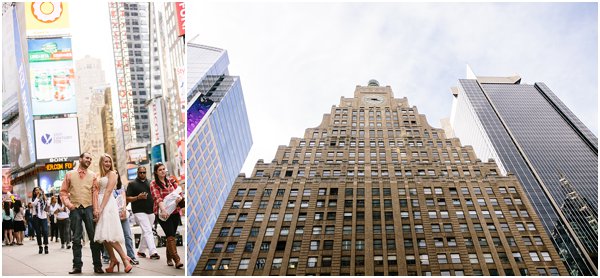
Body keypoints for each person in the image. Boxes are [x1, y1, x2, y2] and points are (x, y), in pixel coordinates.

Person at [60, 152, 104, 274]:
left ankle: (97, 265)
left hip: (89, 207)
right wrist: (69, 205)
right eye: (87, 158)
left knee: (93, 237)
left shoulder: (93, 175)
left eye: (90, 158)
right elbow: (63, 192)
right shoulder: (69, 174)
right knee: (76, 238)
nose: (89, 160)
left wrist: (95, 209)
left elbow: (95, 194)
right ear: (80, 159)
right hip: (75, 210)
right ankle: (77, 266)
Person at [94, 153, 132, 273]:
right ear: (101, 162)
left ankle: (125, 259)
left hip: (107, 204)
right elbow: (95, 191)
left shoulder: (112, 173)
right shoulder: (98, 175)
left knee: (108, 233)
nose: (108, 164)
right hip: (99, 203)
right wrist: (96, 207)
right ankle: (113, 259)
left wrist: (101, 208)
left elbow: (109, 191)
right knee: (104, 235)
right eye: (105, 161)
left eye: (109, 161)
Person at [150, 163, 183, 269]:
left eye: (164, 169)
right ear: (156, 172)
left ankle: (169, 258)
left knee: (172, 235)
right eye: (160, 170)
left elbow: (179, 191)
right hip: (162, 213)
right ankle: (176, 259)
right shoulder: (153, 184)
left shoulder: (171, 181)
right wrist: (163, 210)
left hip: (175, 211)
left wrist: (179, 198)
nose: (163, 171)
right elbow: (157, 198)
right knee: (170, 235)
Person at [126, 166, 160, 260]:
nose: (142, 174)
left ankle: (141, 251)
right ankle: (153, 252)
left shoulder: (151, 182)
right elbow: (127, 198)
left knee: (146, 231)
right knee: (148, 230)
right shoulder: (132, 184)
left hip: (151, 211)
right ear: (137, 173)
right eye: (140, 172)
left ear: (146, 172)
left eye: (144, 172)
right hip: (138, 211)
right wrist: (138, 197)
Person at [114, 170, 139, 265]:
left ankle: (132, 257)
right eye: (113, 173)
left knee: (127, 236)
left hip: (123, 215)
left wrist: (124, 211)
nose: (115, 175)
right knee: (109, 237)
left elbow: (124, 201)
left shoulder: (121, 187)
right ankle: (106, 256)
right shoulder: (108, 187)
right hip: (112, 216)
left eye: (116, 173)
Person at [31, 187, 49, 254]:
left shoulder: (43, 198)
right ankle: (40, 246)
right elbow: (34, 204)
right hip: (36, 217)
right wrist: (38, 196)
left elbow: (48, 204)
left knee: (45, 231)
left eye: (38, 190)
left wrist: (43, 195)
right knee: (38, 232)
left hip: (43, 217)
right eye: (36, 190)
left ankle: (46, 246)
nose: (37, 191)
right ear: (34, 192)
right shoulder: (34, 199)